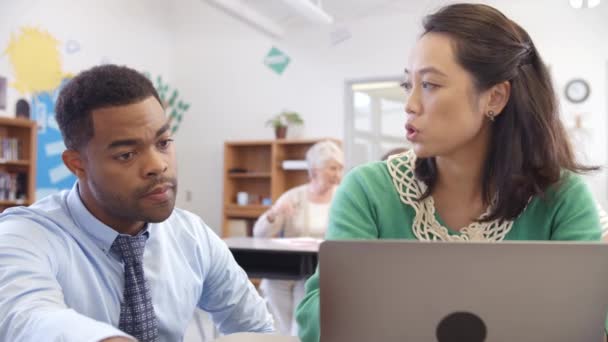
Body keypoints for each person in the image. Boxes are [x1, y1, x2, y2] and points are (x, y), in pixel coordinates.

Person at [295, 3, 602, 342]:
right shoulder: (367, 190)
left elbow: (592, 324)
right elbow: (315, 321)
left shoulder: (563, 199)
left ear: (495, 98)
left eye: (429, 84)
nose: (410, 104)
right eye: (407, 84)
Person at [0, 65, 274, 342]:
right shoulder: (25, 234)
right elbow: (26, 317)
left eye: (164, 142)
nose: (158, 165)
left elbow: (255, 326)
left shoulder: (191, 235)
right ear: (77, 164)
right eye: (127, 154)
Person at [253, 140, 344, 336]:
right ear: (314, 170)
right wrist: (274, 213)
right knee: (281, 321)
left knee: (300, 323)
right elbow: (259, 234)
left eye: (340, 169)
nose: (338, 175)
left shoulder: (343, 198)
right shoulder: (293, 196)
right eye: (332, 168)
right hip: (286, 268)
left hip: (319, 270)